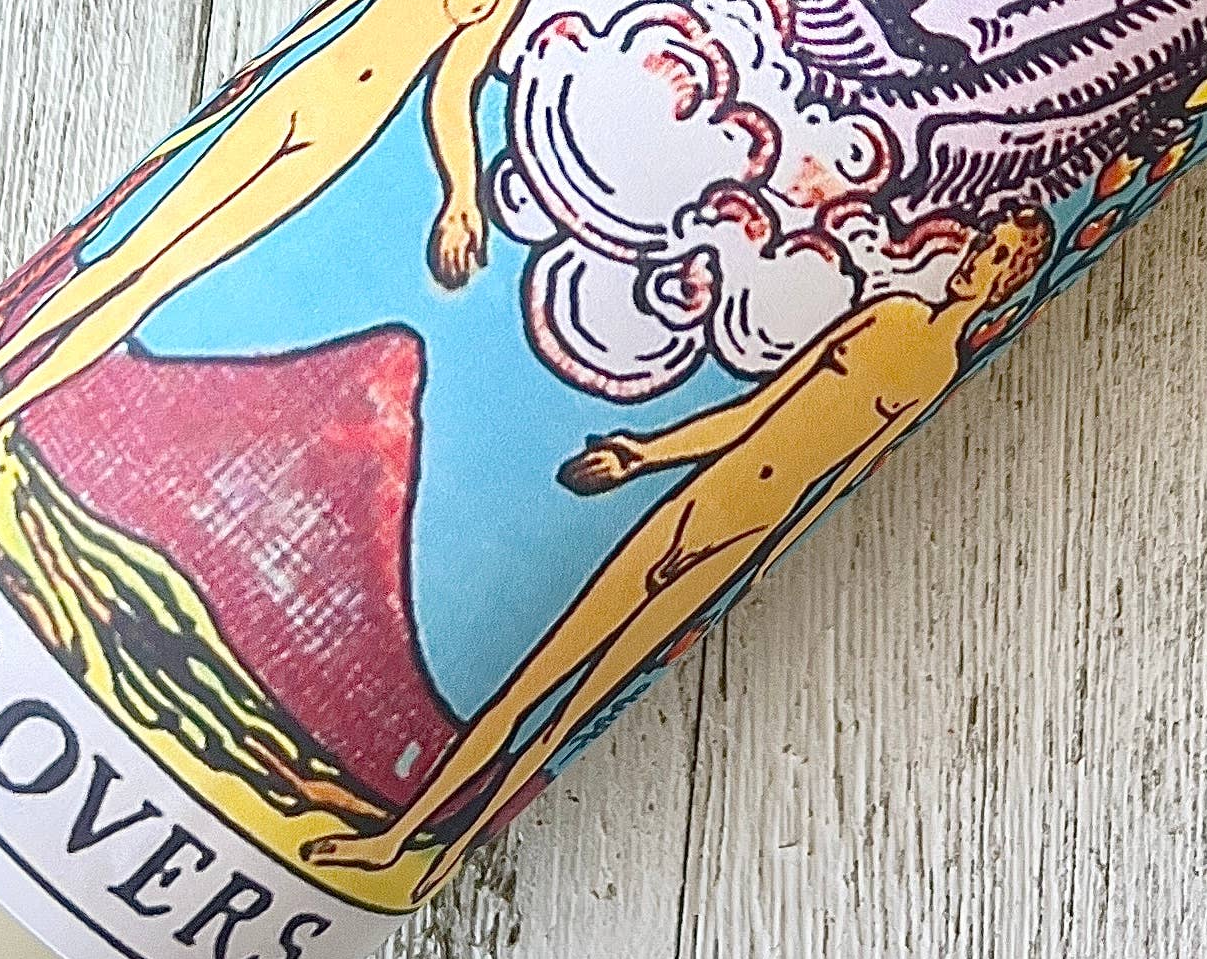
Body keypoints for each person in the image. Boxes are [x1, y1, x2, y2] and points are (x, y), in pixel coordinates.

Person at [311, 212, 1052, 884]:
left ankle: (439, 842)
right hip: (703, 492)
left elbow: (841, 477)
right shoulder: (889, 315)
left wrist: (754, 563)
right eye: (983, 245)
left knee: (573, 709)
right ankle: (398, 833)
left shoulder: (934, 368)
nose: (976, 259)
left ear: (1008, 279)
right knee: (538, 674)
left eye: (996, 257)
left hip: (749, 530)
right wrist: (645, 455)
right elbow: (757, 408)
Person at [0, 0, 623, 482]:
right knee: (134, 251)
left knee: (162, 278)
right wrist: (248, 85)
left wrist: (460, 193)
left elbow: (453, 86)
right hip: (299, 90)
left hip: (342, 131)